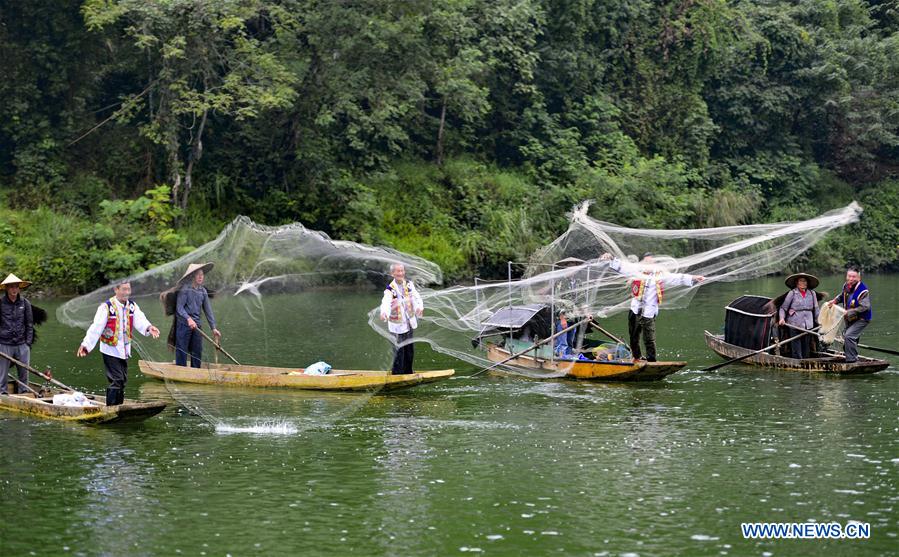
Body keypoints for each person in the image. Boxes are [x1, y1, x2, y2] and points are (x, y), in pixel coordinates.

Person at [601, 252, 705, 362]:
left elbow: (677, 278)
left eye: (651, 262)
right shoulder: (636, 271)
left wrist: (694, 278)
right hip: (635, 309)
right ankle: (636, 358)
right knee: (634, 336)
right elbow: (622, 266)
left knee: (649, 338)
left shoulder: (660, 275)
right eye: (647, 262)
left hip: (649, 312)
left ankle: (652, 360)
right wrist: (611, 258)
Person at [77, 281, 160, 405]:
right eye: (124, 289)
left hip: (124, 350)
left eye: (128, 289)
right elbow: (96, 328)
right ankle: (111, 407)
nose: (127, 293)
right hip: (110, 349)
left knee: (123, 380)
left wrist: (149, 327)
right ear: (116, 290)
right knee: (117, 380)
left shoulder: (132, 306)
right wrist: (86, 345)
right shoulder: (106, 307)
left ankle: (119, 406)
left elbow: (140, 320)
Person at [379, 263, 423, 375]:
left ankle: (408, 372)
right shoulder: (390, 289)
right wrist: (384, 312)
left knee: (409, 350)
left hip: (409, 323)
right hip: (396, 326)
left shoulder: (408, 285)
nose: (400, 273)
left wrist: (419, 307)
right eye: (398, 271)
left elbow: (416, 297)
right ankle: (397, 374)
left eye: (402, 271)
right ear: (393, 273)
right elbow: (386, 302)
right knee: (399, 352)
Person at [174, 262, 220, 368]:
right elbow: (179, 308)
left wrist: (213, 328)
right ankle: (180, 371)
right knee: (182, 349)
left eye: (202, 275)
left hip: (197, 325)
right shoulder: (185, 289)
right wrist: (188, 319)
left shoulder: (203, 291)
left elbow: (208, 311)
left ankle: (196, 372)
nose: (200, 277)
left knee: (197, 350)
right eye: (198, 274)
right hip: (184, 324)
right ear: (193, 276)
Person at [826, 265, 871, 363]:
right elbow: (842, 296)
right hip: (850, 318)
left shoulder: (863, 290)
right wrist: (834, 301)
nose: (851, 279)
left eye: (854, 277)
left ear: (859, 278)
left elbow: (865, 307)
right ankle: (850, 355)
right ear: (846, 276)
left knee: (849, 336)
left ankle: (852, 361)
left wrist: (849, 312)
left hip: (862, 319)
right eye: (849, 276)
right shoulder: (846, 286)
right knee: (849, 337)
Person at [0, 274, 34, 394]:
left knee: (24, 372)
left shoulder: (25, 303)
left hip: (22, 344)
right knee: (2, 374)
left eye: (16, 287)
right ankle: (2, 394)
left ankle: (24, 394)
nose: (14, 289)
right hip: (4, 343)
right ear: (6, 289)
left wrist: (28, 344)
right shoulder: (1, 303)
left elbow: (30, 325)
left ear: (19, 288)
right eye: (11, 287)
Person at [777, 273, 821, 359]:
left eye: (805, 281)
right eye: (801, 281)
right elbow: (783, 308)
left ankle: (805, 361)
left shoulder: (812, 294)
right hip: (794, 324)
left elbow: (816, 309)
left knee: (806, 349)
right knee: (796, 349)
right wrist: (781, 318)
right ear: (797, 283)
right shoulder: (792, 293)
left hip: (808, 325)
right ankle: (797, 361)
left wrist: (819, 321)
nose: (803, 283)